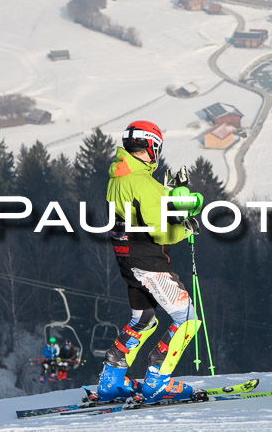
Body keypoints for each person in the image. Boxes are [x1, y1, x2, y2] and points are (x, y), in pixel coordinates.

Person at [96, 121, 203, 404]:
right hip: (148, 260)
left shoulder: (118, 178)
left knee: (143, 318)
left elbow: (137, 215)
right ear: (152, 147)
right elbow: (160, 231)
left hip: (126, 259)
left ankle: (111, 379)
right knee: (188, 320)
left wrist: (166, 200)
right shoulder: (143, 182)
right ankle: (157, 380)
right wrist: (186, 227)